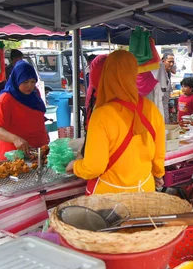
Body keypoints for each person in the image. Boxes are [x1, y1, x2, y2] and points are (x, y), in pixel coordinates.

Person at [66, 51, 166, 194]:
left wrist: (75, 166)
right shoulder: (151, 109)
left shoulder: (101, 115)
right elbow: (159, 156)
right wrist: (158, 174)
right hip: (144, 193)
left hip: (110, 200)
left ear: (106, 75)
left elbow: (94, 167)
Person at [0, 61, 49, 160]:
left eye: (32, 82)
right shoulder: (6, 99)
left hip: (38, 152)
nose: (29, 86)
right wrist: (15, 139)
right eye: (25, 82)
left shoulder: (35, 94)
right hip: (15, 156)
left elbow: (35, 116)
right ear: (17, 80)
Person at [161, 53, 176, 123]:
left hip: (165, 106)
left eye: (173, 62)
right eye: (169, 62)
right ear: (163, 61)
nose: (171, 64)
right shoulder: (158, 74)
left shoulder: (168, 73)